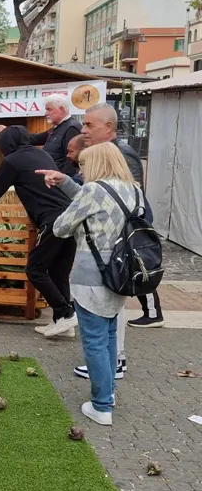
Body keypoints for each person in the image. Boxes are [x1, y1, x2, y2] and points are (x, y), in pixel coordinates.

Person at [37, 142, 146, 426]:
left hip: (90, 275)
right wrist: (67, 186)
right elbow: (102, 204)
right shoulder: (134, 190)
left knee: (95, 341)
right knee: (109, 335)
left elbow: (61, 227)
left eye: (83, 165)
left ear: (96, 163)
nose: (80, 170)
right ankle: (108, 393)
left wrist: (73, 204)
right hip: (121, 273)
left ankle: (100, 406)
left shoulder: (92, 190)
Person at [0, 126, 77, 337]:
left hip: (52, 220)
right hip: (70, 216)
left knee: (35, 270)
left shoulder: (13, 161)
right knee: (58, 272)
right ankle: (62, 322)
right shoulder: (42, 153)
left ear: (5, 145)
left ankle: (66, 313)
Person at [82, 103, 163, 329]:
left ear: (108, 127)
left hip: (129, 226)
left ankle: (153, 313)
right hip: (118, 226)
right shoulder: (106, 151)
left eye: (89, 125)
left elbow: (132, 190)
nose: (84, 130)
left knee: (137, 266)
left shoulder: (122, 152)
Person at [0, 95, 82, 172]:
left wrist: (61, 181)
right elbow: (33, 139)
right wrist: (7, 131)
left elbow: (71, 161)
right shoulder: (57, 128)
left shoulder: (71, 128)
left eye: (49, 109)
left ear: (61, 110)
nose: (45, 113)